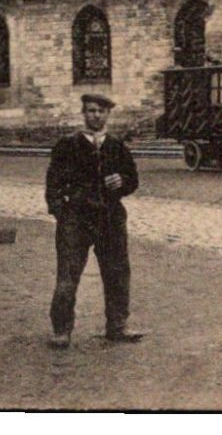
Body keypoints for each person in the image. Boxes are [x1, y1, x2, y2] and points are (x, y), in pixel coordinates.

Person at [45, 92, 142, 347]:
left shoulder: (117, 146)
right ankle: (61, 329)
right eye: (91, 111)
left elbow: (133, 180)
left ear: (108, 115)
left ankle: (118, 326)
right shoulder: (67, 145)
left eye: (100, 111)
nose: (95, 116)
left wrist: (122, 182)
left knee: (117, 273)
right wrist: (62, 212)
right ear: (83, 114)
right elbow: (52, 185)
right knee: (68, 274)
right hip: (76, 221)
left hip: (110, 219)